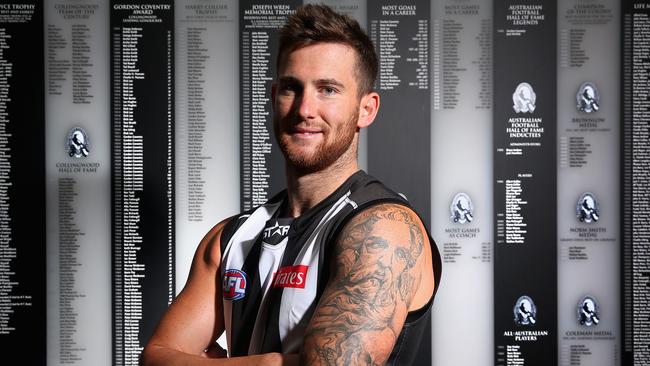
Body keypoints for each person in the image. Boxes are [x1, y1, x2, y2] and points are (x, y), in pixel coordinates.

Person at [142, 4, 441, 365]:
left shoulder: (383, 229)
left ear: (366, 109)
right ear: (273, 97)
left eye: (328, 90)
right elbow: (154, 358)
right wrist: (277, 362)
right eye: (291, 88)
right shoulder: (231, 238)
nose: (304, 109)